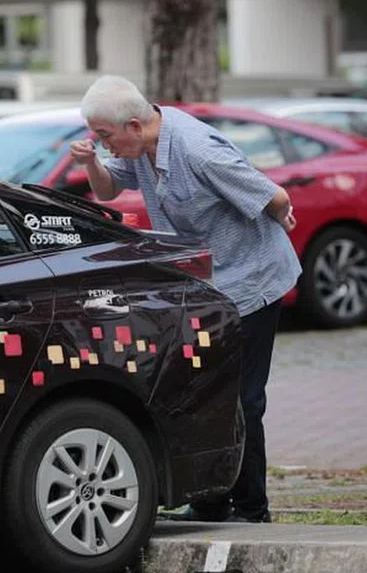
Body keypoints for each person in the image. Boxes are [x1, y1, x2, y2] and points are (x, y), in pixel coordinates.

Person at [70, 75, 301, 523]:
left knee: (243, 398)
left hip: (253, 282)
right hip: (210, 288)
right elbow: (107, 191)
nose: (103, 144)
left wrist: (282, 214)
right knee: (205, 390)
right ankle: (212, 501)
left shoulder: (196, 150)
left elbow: (273, 195)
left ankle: (252, 508)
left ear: (134, 125)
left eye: (104, 136)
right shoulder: (142, 148)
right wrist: (91, 162)